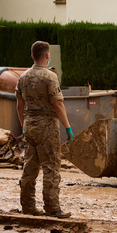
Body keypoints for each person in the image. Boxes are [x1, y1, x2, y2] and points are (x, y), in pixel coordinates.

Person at [15, 41, 74, 218]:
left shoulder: (22, 77)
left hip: (29, 124)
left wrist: (24, 126)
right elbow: (58, 105)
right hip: (47, 126)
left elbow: (19, 106)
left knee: (30, 167)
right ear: (47, 56)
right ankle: (52, 207)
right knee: (51, 167)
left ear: (32, 56)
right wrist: (68, 128)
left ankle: (28, 206)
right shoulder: (50, 77)